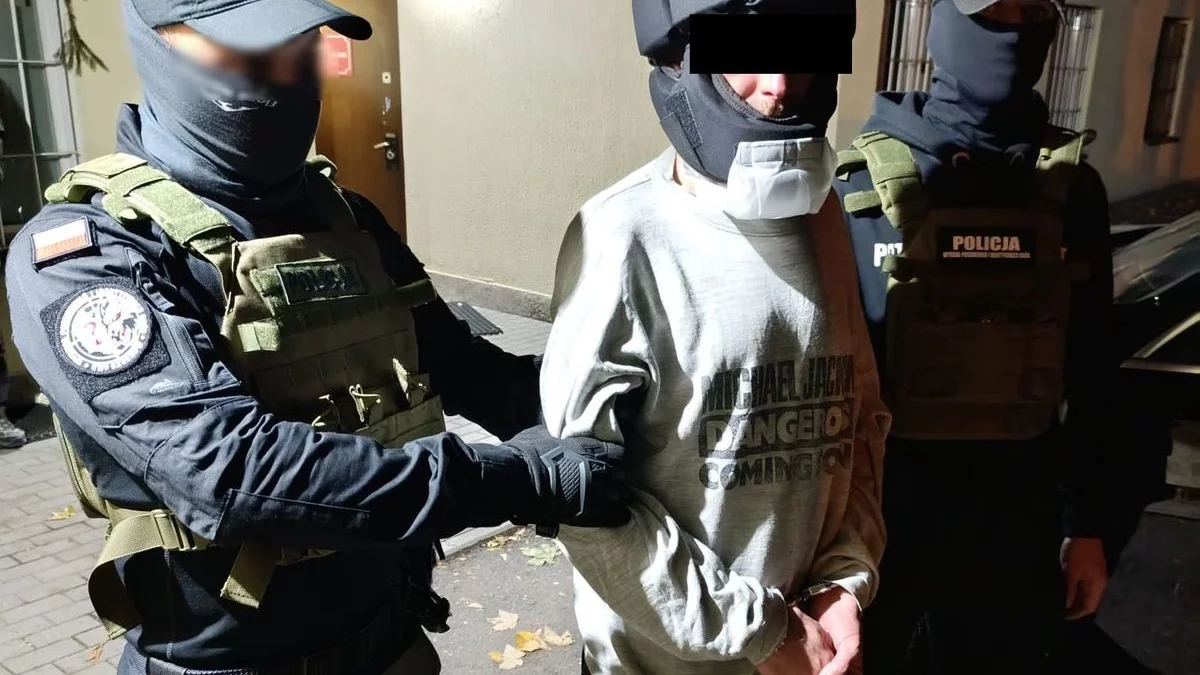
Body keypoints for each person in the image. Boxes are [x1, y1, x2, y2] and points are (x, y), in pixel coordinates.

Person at [6, 1, 631, 674]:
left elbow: (461, 367)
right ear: (159, 46)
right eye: (246, 53)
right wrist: (518, 480)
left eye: (298, 50)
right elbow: (231, 471)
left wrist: (609, 406)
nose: (282, 77)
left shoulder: (345, 214)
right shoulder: (88, 254)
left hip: (391, 635)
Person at [540, 2, 890, 674]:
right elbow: (580, 502)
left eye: (802, 49)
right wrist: (762, 633)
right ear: (680, 55)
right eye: (746, 50)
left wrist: (842, 582)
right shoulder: (621, 236)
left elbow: (859, 422)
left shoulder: (826, 222)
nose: (780, 85)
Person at [830, 1, 1117, 673]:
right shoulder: (857, 184)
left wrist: (1091, 524)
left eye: (1027, 10)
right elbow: (824, 382)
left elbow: (1094, 367)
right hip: (882, 533)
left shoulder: (1073, 190)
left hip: (1016, 536)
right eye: (989, 9)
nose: (1010, 29)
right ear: (941, 20)